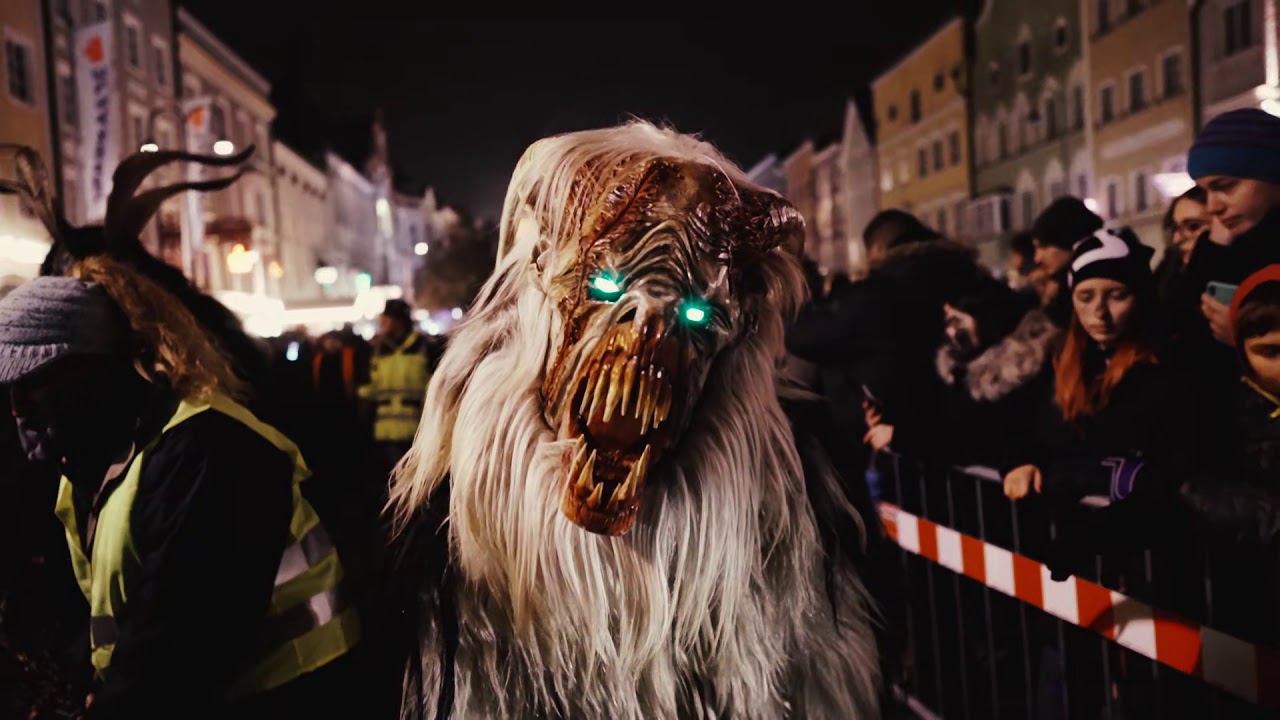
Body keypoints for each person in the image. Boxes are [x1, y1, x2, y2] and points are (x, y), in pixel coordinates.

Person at [0, 261, 360, 719]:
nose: (18, 409)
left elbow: (177, 647)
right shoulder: (101, 461)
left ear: (92, 365)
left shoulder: (208, 450)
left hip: (291, 696)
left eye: (33, 381)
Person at [1185, 108, 1280, 347]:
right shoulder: (1231, 246)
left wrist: (1251, 339)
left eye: (1225, 186)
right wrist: (1214, 248)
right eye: (1205, 192)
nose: (1212, 207)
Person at [359, 298, 431, 482]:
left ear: (399, 321)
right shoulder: (377, 350)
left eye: (386, 319)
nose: (382, 323)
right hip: (384, 433)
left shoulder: (425, 347)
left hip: (418, 432)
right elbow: (369, 387)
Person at [1030, 197, 1105, 325]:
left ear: (1066, 241)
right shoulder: (1058, 285)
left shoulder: (1096, 280)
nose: (1037, 258)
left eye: (1043, 246)